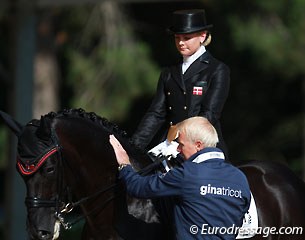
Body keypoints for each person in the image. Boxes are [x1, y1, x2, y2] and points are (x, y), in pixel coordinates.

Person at [109, 117, 250, 239]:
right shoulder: (240, 178)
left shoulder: (187, 173)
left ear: (198, 145)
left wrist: (124, 164)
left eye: (181, 144)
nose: (178, 149)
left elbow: (137, 187)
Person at [132, 9, 230, 158]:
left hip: (201, 144)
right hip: (170, 142)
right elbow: (156, 113)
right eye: (177, 38)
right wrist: (133, 146)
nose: (181, 43)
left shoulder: (217, 69)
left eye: (187, 37)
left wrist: (182, 142)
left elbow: (209, 115)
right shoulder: (169, 72)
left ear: (202, 36)